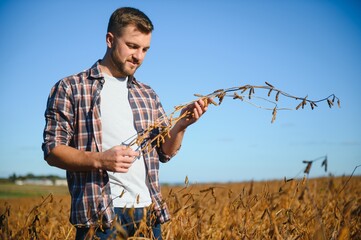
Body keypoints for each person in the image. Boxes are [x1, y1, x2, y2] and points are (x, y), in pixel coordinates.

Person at [42, 7, 208, 240]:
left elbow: (164, 152)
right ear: (110, 40)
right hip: (100, 217)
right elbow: (52, 150)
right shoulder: (71, 88)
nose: (138, 56)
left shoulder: (147, 94)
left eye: (145, 49)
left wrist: (181, 125)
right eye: (132, 46)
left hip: (148, 214)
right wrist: (100, 160)